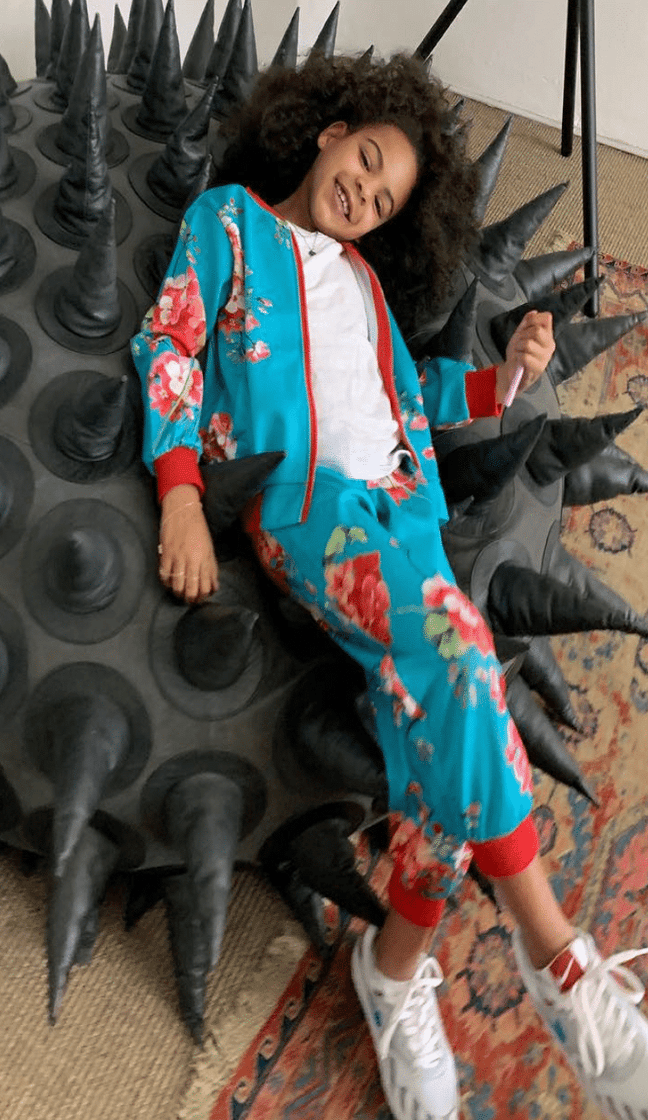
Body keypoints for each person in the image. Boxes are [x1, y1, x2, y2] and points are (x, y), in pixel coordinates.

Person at [130, 50, 648, 1120]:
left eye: (384, 199)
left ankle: (393, 970)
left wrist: (505, 380)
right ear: (329, 134)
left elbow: (412, 394)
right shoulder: (230, 224)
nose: (363, 195)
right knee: (461, 656)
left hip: (402, 516)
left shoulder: (362, 283)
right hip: (306, 506)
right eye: (364, 162)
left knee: (444, 726)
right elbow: (171, 342)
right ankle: (560, 961)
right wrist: (180, 494)